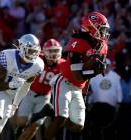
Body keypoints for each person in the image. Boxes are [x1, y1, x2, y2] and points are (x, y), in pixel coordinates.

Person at [32, 11, 110, 140]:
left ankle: (50, 110)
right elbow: (78, 75)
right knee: (61, 117)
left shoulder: (102, 46)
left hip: (79, 87)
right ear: (91, 28)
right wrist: (95, 70)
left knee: (78, 126)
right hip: (65, 82)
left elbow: (86, 76)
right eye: (101, 29)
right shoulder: (78, 42)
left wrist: (84, 93)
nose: (104, 33)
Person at [0, 34, 44, 140]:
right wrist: (11, 85)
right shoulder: (7, 56)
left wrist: (15, 104)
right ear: (21, 47)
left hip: (10, 96)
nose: (32, 54)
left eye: (34, 51)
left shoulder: (37, 65)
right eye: (30, 51)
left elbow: (25, 87)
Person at [16, 39, 65, 140]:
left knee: (35, 126)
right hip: (30, 93)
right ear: (45, 51)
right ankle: (22, 128)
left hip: (45, 98)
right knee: (21, 121)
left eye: (56, 50)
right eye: (51, 51)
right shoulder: (38, 59)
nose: (53, 53)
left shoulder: (62, 65)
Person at [88, 58, 122, 140]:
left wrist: (119, 103)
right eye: (103, 66)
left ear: (110, 66)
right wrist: (89, 103)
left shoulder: (116, 76)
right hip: (96, 106)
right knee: (95, 129)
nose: (105, 67)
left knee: (109, 129)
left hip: (110, 107)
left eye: (107, 66)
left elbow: (119, 91)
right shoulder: (94, 76)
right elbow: (91, 91)